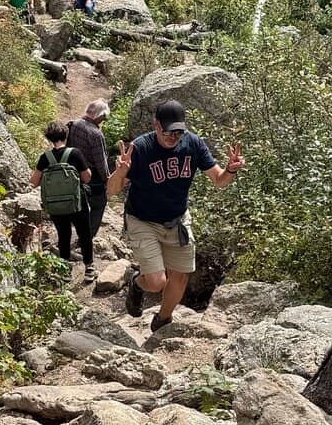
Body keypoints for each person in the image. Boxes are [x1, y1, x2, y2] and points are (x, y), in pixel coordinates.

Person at [106, 99, 244, 332]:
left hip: (177, 219)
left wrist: (230, 170)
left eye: (178, 132)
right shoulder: (141, 148)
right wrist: (120, 173)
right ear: (156, 125)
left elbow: (219, 181)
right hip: (142, 220)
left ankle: (162, 320)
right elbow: (112, 190)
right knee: (156, 282)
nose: (173, 137)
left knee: (180, 277)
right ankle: (138, 284)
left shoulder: (193, 143)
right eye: (169, 132)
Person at [31, 121, 95, 282]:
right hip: (77, 202)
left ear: (49, 138)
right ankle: (89, 269)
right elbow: (86, 177)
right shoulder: (75, 153)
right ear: (65, 136)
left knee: (63, 235)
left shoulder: (45, 157)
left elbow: (33, 181)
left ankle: (65, 270)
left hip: (55, 206)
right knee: (84, 234)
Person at [68, 99, 111, 238]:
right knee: (98, 205)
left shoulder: (73, 124)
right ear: (100, 116)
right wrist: (107, 180)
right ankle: (86, 237)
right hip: (92, 178)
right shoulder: (95, 134)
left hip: (73, 173)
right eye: (104, 117)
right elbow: (101, 162)